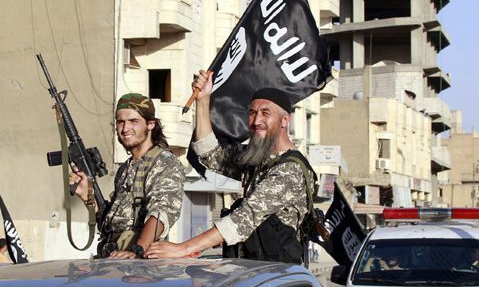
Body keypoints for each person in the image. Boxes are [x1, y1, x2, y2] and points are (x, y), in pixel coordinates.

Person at [147, 70, 316, 264]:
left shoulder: (290, 170)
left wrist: (183, 249)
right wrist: (202, 101)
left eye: (265, 113)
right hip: (249, 269)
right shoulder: (259, 159)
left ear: (285, 120)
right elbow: (208, 152)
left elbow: (243, 219)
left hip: (276, 276)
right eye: (252, 113)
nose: (256, 121)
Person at [69, 93, 185, 259]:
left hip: (140, 269)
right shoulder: (125, 168)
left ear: (151, 124)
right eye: (120, 122)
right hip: (113, 261)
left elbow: (161, 214)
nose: (125, 128)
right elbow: (110, 225)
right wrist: (87, 196)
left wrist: (137, 251)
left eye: (133, 121)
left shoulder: (164, 162)